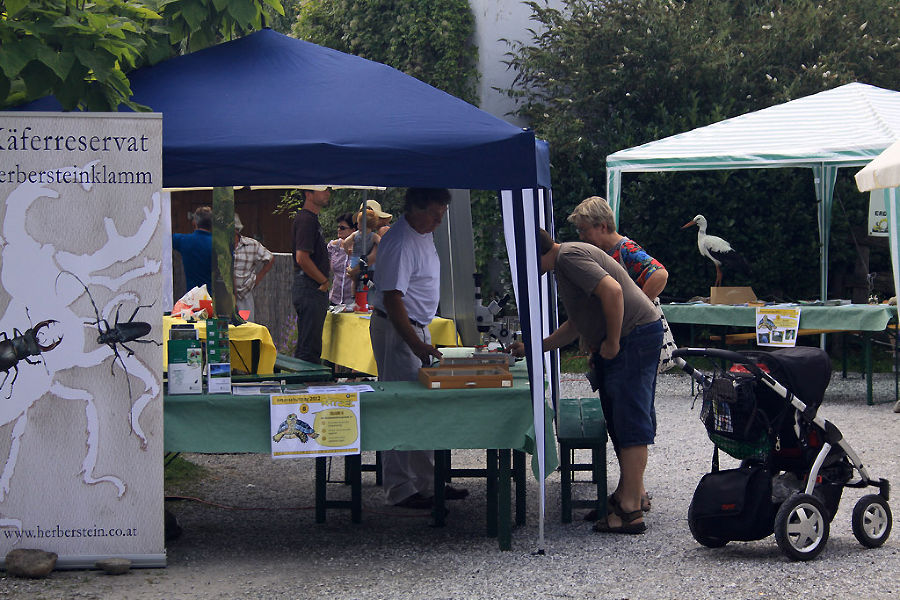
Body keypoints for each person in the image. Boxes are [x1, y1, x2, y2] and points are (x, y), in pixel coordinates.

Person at [512, 229, 662, 534]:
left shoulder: (568, 257)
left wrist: (613, 343)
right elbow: (576, 324)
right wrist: (534, 346)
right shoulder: (566, 261)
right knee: (621, 419)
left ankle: (631, 509)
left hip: (635, 336)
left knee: (631, 421)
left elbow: (614, 292)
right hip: (632, 336)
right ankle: (628, 494)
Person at [368, 187, 468, 509]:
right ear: (415, 209)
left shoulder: (421, 233)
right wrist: (414, 343)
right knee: (400, 406)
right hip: (400, 327)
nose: (438, 222)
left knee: (421, 406)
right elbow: (392, 297)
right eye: (434, 215)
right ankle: (400, 488)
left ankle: (428, 482)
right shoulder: (400, 241)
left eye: (442, 215)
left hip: (413, 326)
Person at [291, 188, 331, 363]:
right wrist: (322, 280)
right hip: (310, 287)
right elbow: (302, 257)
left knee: (310, 343)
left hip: (310, 287)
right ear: (308, 194)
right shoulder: (306, 219)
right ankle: (306, 386)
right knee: (309, 348)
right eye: (322, 189)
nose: (327, 192)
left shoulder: (311, 219)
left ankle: (306, 385)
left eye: (328, 189)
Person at [232, 213, 274, 320]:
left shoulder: (251, 244)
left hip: (244, 294)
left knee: (247, 329)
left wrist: (257, 279)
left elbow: (269, 258)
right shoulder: (219, 246)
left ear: (237, 230)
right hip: (224, 296)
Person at [172, 205, 213, 292]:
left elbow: (164, 237)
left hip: (193, 299)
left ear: (194, 223)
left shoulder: (184, 241)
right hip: (214, 299)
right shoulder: (220, 245)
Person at [327, 213, 356, 306]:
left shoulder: (360, 248)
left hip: (352, 302)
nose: (339, 230)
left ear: (353, 230)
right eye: (338, 227)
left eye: (342, 228)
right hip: (335, 300)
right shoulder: (333, 246)